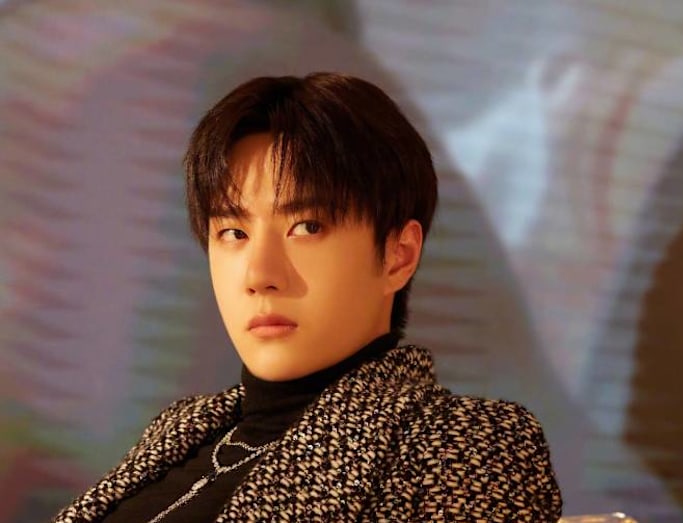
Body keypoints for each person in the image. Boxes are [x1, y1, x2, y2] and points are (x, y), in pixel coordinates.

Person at [53, 72, 562, 522]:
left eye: (307, 226)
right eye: (233, 233)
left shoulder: (463, 442)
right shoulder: (180, 429)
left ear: (398, 255)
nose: (260, 275)